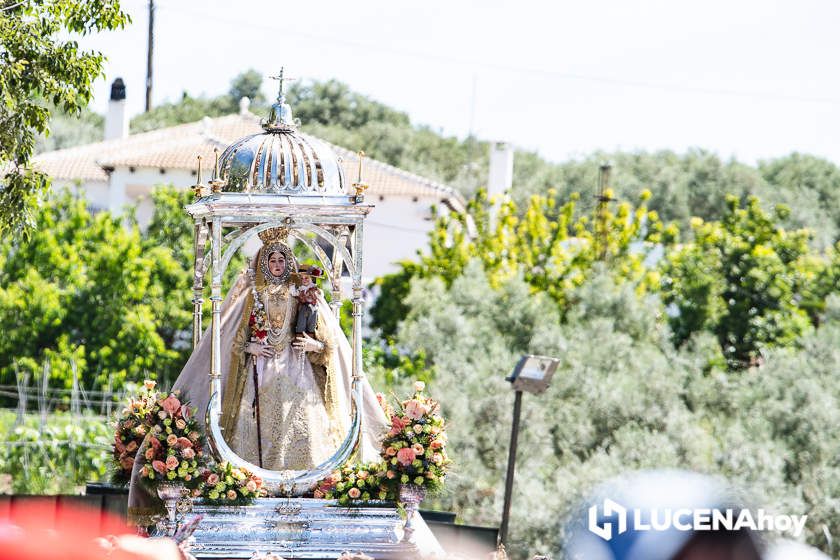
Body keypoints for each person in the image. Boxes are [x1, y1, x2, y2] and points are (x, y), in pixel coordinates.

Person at [128, 228, 387, 522]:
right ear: (263, 263)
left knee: (303, 433)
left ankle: (306, 494)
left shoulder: (304, 293)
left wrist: (313, 343)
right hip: (260, 373)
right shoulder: (252, 296)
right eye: (271, 260)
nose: (277, 265)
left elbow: (328, 343)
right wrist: (251, 345)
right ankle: (254, 491)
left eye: (281, 259)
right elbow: (233, 339)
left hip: (298, 373)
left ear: (289, 262)